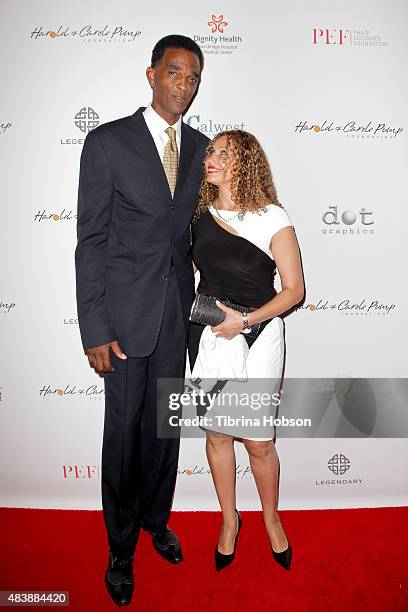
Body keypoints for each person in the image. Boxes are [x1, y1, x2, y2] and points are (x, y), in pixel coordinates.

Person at [75, 35, 209, 606]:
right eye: (176, 72)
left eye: (194, 76)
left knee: (164, 430)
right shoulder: (107, 143)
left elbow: (206, 236)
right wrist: (95, 328)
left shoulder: (205, 149)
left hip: (178, 317)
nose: (186, 83)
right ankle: (121, 546)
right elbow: (90, 241)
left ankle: (156, 519)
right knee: (124, 437)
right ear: (151, 75)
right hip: (124, 323)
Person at [188, 130, 304, 571]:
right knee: (217, 435)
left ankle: (271, 518)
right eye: (211, 152)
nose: (211, 158)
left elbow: (294, 291)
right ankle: (229, 520)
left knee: (258, 443)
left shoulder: (274, 218)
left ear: (246, 162)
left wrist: (247, 321)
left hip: (259, 335)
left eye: (223, 153)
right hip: (211, 336)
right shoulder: (199, 216)